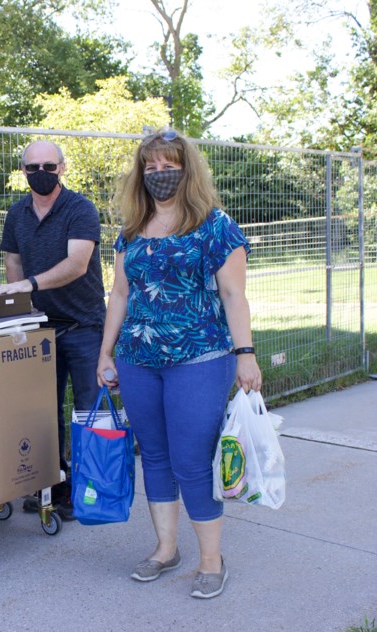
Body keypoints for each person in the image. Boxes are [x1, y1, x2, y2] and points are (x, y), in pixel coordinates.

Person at [96, 129, 262, 599]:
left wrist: (245, 354)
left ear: (187, 169)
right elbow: (120, 295)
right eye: (150, 167)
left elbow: (233, 295)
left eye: (168, 166)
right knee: (156, 456)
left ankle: (212, 561)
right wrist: (106, 352)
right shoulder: (131, 229)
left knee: (191, 461)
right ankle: (166, 549)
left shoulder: (215, 225)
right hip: (137, 360)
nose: (159, 175)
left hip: (200, 358)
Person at [0, 140, 107, 520]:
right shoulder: (16, 214)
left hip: (84, 326)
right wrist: (20, 311)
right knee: (44, 412)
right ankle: (54, 485)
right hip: (40, 330)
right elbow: (13, 261)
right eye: (33, 167)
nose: (41, 174)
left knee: (90, 411)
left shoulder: (80, 209)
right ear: (23, 171)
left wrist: (30, 286)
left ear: (62, 168)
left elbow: (76, 263)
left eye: (49, 167)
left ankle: (92, 488)